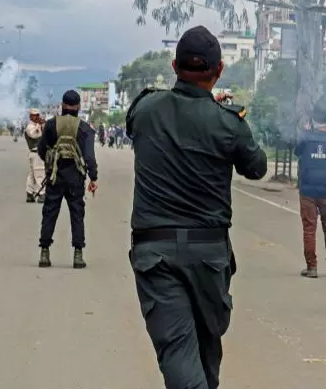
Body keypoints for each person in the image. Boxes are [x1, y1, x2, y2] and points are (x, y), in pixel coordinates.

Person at [126, 25, 267, 389]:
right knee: (205, 345)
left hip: (155, 252)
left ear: (173, 66)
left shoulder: (145, 109)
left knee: (182, 350)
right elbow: (257, 167)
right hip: (208, 253)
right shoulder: (228, 123)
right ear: (219, 71)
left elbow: (133, 125)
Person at [37, 90, 98, 269]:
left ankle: (44, 253)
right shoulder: (85, 128)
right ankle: (78, 255)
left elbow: (42, 150)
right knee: (77, 215)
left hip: (55, 176)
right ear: (79, 106)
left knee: (50, 213)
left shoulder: (50, 125)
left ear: (62, 106)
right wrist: (93, 177)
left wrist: (51, 164)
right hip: (75, 179)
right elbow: (89, 157)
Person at [294, 104, 326, 278]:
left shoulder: (305, 137)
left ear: (313, 119)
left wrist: (305, 131)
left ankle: (312, 267)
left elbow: (297, 151)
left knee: (309, 229)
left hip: (308, 190)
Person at [24, 108, 46, 203]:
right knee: (39, 173)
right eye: (34, 115)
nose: (37, 117)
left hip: (36, 153)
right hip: (36, 153)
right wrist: (40, 125)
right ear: (30, 117)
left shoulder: (36, 125)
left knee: (32, 175)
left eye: (38, 115)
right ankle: (41, 195)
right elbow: (35, 135)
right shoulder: (30, 127)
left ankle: (30, 193)